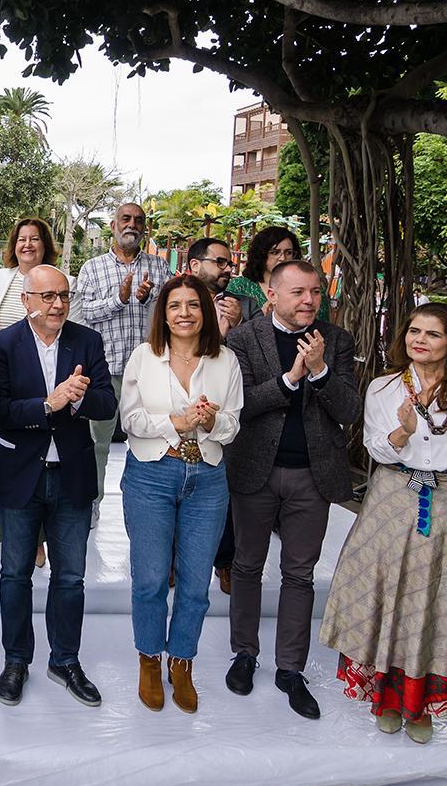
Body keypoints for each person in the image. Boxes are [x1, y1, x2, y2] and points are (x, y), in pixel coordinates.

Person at [321, 304, 447, 744]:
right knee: (390, 597)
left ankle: (421, 705)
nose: (419, 340)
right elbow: (377, 450)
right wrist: (404, 431)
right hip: (392, 503)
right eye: (414, 331)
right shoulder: (384, 389)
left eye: (433, 334)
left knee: (436, 605)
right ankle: (387, 699)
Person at [223, 260, 360, 720]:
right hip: (254, 470)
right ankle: (244, 653)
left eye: (315, 292)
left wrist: (319, 371)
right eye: (298, 292)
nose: (308, 301)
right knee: (246, 564)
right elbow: (239, 405)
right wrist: (291, 379)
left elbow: (348, 410)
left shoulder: (336, 340)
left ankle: (290, 669)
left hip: (312, 475)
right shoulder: (243, 339)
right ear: (272, 294)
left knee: (300, 574)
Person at [0, 264, 116, 708]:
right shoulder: (2, 345)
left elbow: (106, 403)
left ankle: (65, 660)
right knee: (15, 574)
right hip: (20, 475)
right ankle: (16, 660)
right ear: (26, 301)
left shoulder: (87, 340)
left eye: (63, 295)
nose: (57, 304)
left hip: (72, 475)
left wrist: (77, 398)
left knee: (71, 577)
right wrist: (47, 403)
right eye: (47, 297)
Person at [118, 274, 243, 714]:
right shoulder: (143, 356)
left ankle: (182, 662)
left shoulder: (225, 360)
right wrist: (178, 422)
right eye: (175, 305)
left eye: (193, 304)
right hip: (152, 474)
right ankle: (150, 659)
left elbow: (233, 423)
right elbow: (131, 420)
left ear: (205, 312)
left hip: (206, 479)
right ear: (163, 313)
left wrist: (209, 423)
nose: (184, 313)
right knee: (151, 579)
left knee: (195, 585)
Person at [0, 217, 78, 560]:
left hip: (49, 374)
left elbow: (68, 326)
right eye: (21, 239)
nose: (27, 245)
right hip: (7, 370)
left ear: (45, 244)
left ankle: (35, 539)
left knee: (40, 459)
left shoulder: (60, 281)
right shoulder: (1, 279)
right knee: (4, 453)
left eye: (34, 239)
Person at [76, 203, 170, 527]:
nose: (132, 225)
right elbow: (86, 312)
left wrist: (149, 300)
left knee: (152, 442)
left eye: (138, 221)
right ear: (113, 226)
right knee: (97, 442)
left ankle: (151, 508)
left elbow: (171, 315)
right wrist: (119, 298)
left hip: (151, 372)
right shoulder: (93, 267)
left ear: (145, 228)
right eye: (126, 219)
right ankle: (91, 503)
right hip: (107, 369)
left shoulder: (159, 268)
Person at [186, 236, 256, 594]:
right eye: (220, 262)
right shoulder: (176, 300)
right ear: (196, 266)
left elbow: (258, 354)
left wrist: (239, 326)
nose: (229, 269)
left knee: (222, 490)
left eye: (230, 263)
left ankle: (224, 562)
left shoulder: (246, 306)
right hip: (181, 406)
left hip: (225, 408)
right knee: (176, 489)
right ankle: (171, 561)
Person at [225, 226, 331, 321]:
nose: (282, 258)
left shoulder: (312, 289)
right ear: (261, 255)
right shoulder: (240, 287)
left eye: (288, 252)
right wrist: (260, 319)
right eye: (275, 252)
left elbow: (324, 328)